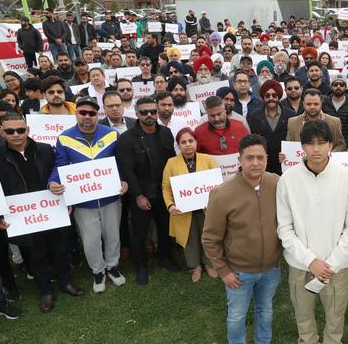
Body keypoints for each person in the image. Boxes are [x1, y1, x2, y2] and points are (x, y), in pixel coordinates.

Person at [277, 120, 348, 344]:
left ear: (331, 145)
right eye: (310, 143)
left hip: (336, 267)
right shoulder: (287, 180)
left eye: (322, 143)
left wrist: (331, 264)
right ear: (302, 146)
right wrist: (310, 261)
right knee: (303, 317)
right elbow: (284, 229)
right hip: (300, 264)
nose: (316, 149)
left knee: (335, 317)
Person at [0, 112, 83, 312]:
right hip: (23, 217)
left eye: (20, 130)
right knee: (36, 256)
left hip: (52, 211)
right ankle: (45, 292)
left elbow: (59, 174)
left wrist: (65, 199)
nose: (16, 134)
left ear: (28, 129)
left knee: (59, 249)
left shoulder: (45, 150)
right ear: (2, 132)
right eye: (10, 131)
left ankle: (65, 282)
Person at [202, 134, 281, 344]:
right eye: (249, 158)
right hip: (238, 272)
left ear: (267, 158)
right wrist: (224, 271)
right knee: (237, 317)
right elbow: (210, 238)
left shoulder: (278, 183)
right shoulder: (222, 193)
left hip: (271, 269)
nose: (255, 163)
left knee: (266, 311)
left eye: (260, 157)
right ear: (239, 159)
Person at [48, 97, 128, 293]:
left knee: (113, 235)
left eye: (91, 113)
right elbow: (60, 164)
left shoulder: (111, 134)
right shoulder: (65, 137)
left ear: (97, 115)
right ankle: (98, 271)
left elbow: (120, 162)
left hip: (110, 196)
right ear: (76, 114)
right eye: (82, 112)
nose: (87, 117)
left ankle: (112, 266)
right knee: (90, 239)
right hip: (83, 200)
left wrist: (124, 179)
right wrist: (52, 182)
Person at [117, 97, 179, 285]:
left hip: (163, 191)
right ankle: (141, 267)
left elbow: (172, 162)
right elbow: (127, 170)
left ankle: (165, 258)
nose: (149, 115)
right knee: (140, 233)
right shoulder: (127, 139)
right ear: (136, 114)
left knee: (165, 228)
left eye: (152, 111)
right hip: (141, 193)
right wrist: (138, 195)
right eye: (144, 112)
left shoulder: (166, 133)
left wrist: (173, 189)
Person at [162, 128, 218, 282]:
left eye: (190, 141)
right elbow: (166, 188)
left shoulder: (208, 159)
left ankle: (209, 264)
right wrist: (170, 205)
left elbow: (217, 185)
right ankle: (196, 267)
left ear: (196, 142)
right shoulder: (171, 163)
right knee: (190, 238)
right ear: (178, 145)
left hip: (206, 209)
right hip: (183, 211)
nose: (188, 145)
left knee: (207, 236)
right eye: (183, 142)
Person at [247, 80, 296, 175]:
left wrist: (290, 155)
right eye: (267, 95)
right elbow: (251, 140)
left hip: (285, 164)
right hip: (262, 165)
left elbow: (294, 140)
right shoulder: (253, 116)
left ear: (279, 96)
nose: (271, 98)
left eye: (274, 95)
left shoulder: (291, 114)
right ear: (263, 97)